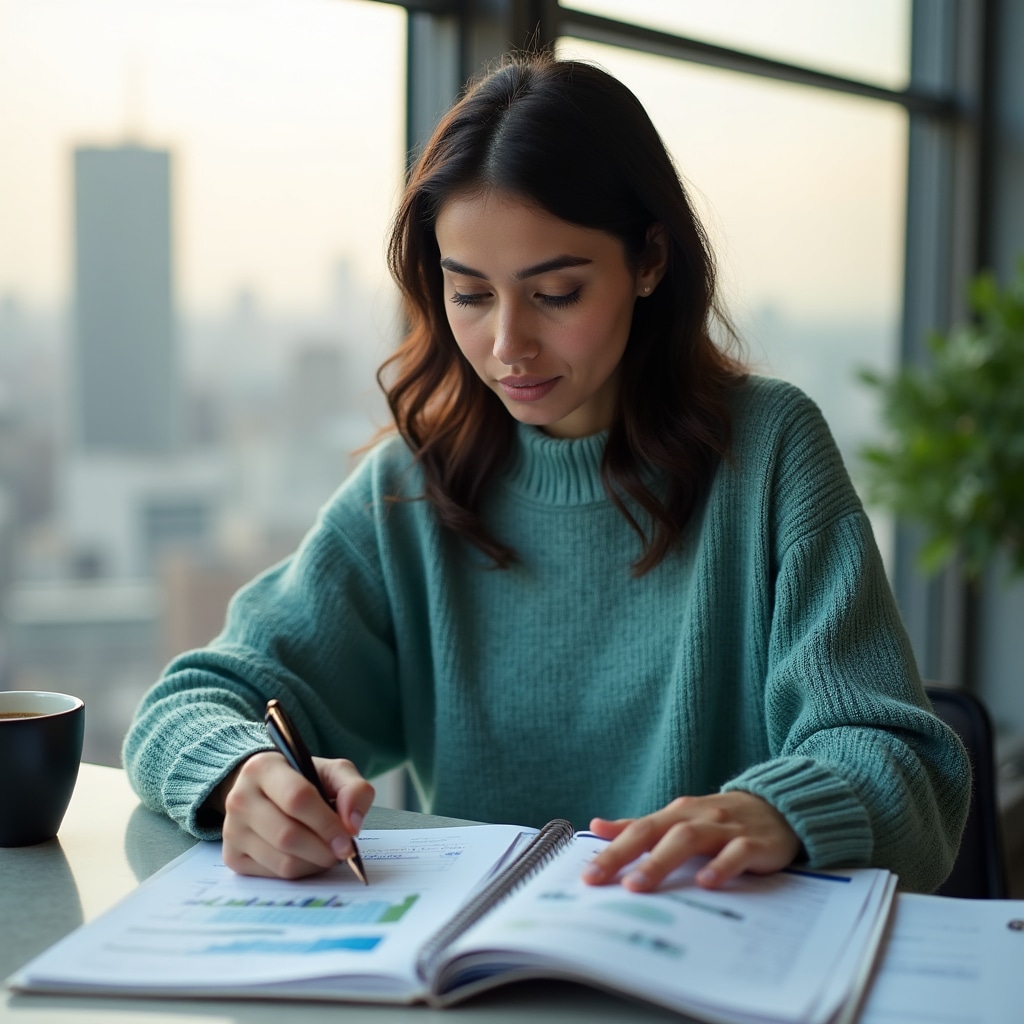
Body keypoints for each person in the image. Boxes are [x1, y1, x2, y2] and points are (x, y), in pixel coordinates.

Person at [123, 54, 969, 895]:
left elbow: (908, 768)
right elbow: (188, 704)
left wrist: (778, 811)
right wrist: (242, 775)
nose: (507, 346)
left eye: (556, 293)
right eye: (470, 294)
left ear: (648, 262)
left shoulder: (769, 452)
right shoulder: (413, 488)